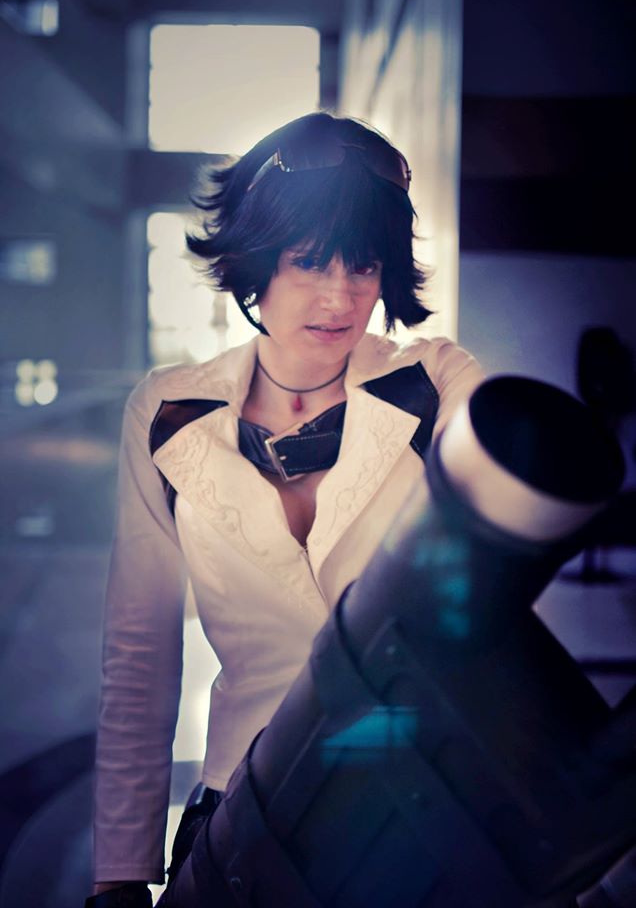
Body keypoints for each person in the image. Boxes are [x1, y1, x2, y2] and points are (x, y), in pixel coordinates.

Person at [86, 112, 484, 906]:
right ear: (255, 262)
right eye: (309, 261)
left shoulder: (434, 383)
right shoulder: (168, 413)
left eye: (363, 264)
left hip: (414, 810)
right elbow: (140, 652)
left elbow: (499, 476)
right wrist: (120, 873)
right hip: (243, 810)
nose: (340, 295)